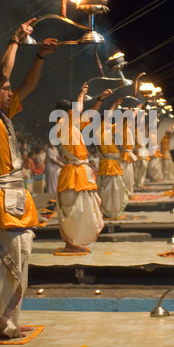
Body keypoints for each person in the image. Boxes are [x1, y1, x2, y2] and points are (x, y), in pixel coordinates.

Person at [0, 18, 58, 339]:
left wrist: (41, 56)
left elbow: (27, 86)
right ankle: (2, 325)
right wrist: (16, 40)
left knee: (16, 262)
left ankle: (4, 322)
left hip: (14, 198)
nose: (9, 92)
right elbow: (4, 74)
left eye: (7, 90)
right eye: (4, 90)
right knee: (2, 264)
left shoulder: (4, 118)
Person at [54, 83, 111, 254]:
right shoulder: (62, 125)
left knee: (82, 210)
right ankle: (71, 243)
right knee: (75, 212)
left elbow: (90, 115)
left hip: (80, 173)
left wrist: (100, 99)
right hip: (73, 173)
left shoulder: (73, 127)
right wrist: (80, 95)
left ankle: (75, 242)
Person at [96, 97, 129, 218]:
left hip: (113, 164)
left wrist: (128, 114)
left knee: (116, 190)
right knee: (110, 190)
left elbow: (119, 125)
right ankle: (109, 212)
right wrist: (114, 104)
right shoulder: (99, 131)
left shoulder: (107, 131)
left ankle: (112, 211)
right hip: (108, 165)